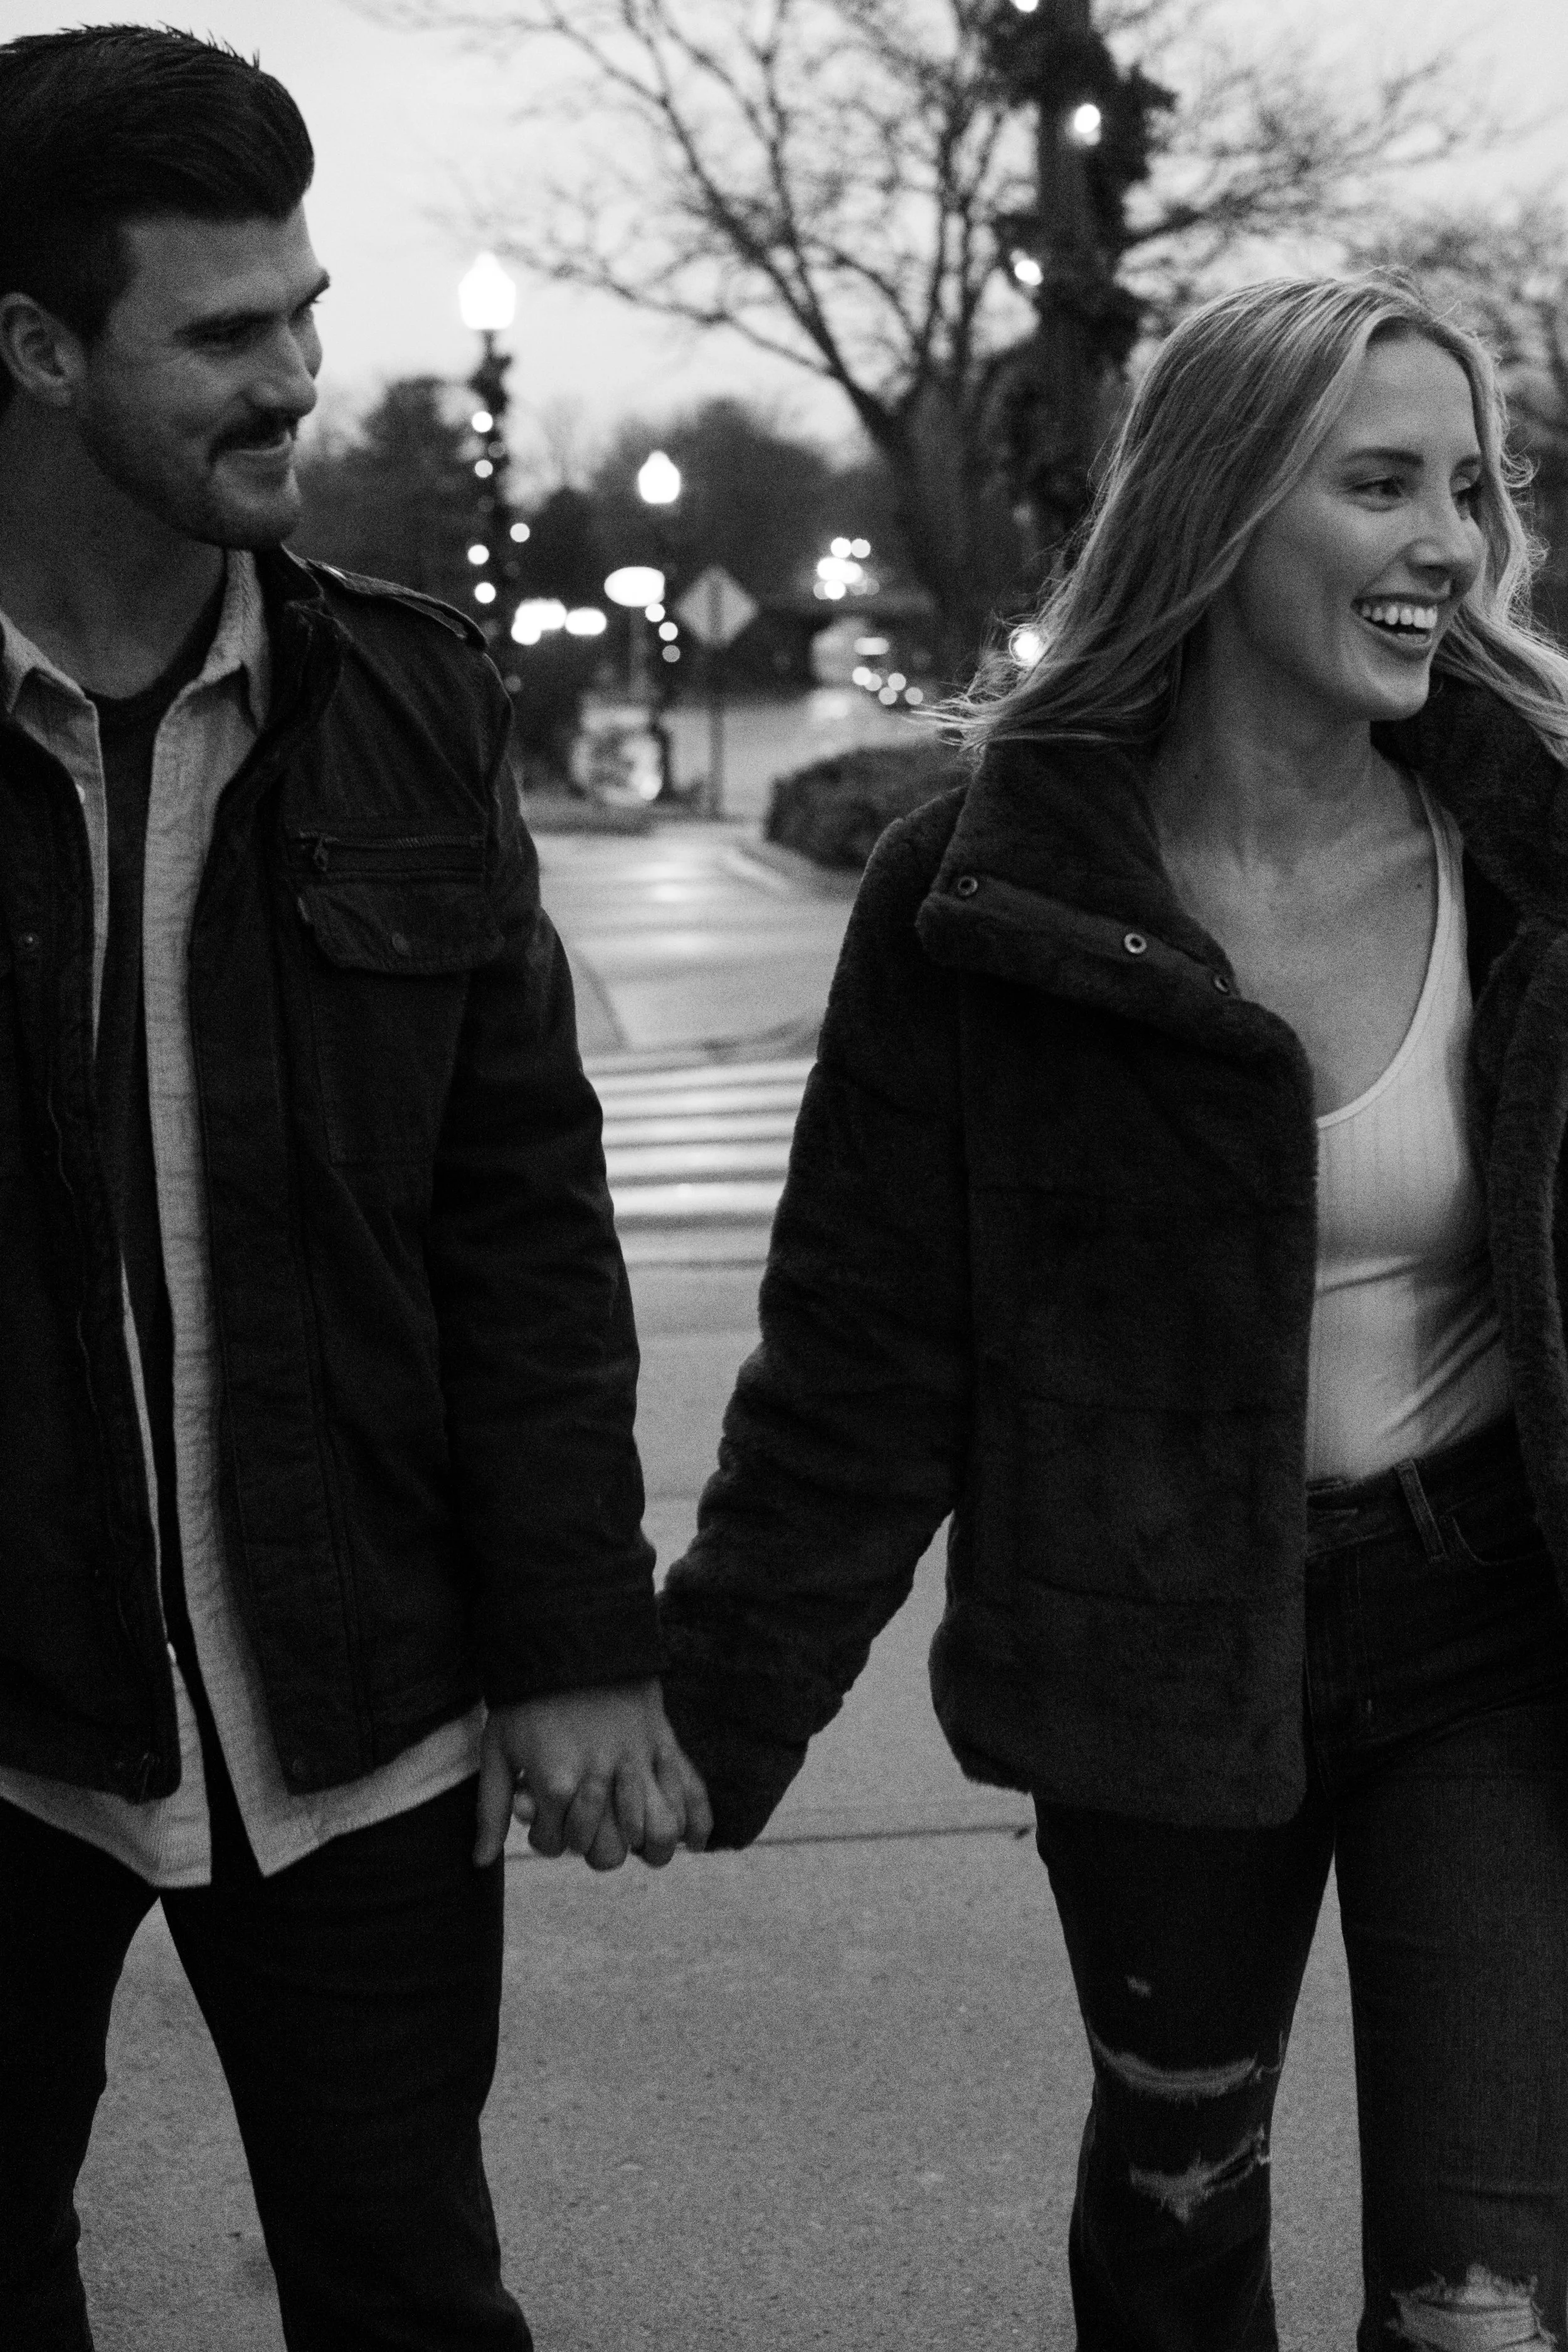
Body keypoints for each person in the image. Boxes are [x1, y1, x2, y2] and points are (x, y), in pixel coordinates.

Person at [658, 272, 1568, 2348]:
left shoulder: (1535, 850)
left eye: (1469, 487)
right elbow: (864, 1351)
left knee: (1485, 2289)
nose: (1450, 541)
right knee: (1174, 2208)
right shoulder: (990, 890)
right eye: (1378, 485)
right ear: (1221, 509)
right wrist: (711, 1710)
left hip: (1485, 1633)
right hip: (1146, 1650)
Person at [0, 26, 709, 2352]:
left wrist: (582, 1641)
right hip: (10, 1707)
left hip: (362, 1707)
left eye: (304, 308)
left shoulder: (404, 705)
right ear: (33, 346)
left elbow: (520, 1213)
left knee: (410, 2286)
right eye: (222, 334)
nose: (296, 374)